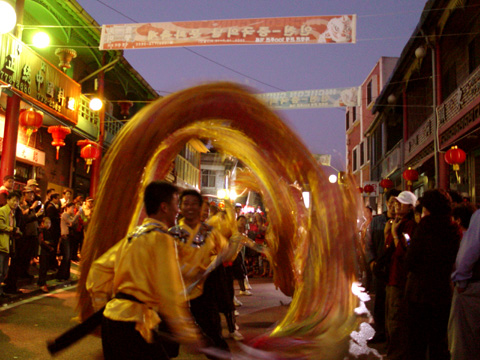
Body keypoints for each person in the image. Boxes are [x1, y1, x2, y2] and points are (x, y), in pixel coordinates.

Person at [87, 181, 204, 360]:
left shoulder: (133, 236)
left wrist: (102, 306)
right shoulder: (162, 239)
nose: (178, 210)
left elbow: (98, 269)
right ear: (164, 207)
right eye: (175, 204)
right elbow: (170, 293)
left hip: (113, 319)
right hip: (133, 324)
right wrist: (188, 333)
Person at [170, 189, 233, 358]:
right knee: (168, 341)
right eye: (186, 204)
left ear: (200, 208)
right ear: (180, 207)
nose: (190, 207)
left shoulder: (209, 231)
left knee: (212, 333)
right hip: (177, 292)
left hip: (204, 291)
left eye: (194, 204)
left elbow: (226, 249)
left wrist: (212, 264)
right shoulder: (173, 233)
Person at [405, 189, 461, 360]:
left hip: (420, 293)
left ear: (427, 208)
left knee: (417, 342)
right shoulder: (453, 228)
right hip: (444, 291)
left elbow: (410, 261)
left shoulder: (425, 226)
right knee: (439, 342)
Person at [384, 190, 417, 359]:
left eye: (400, 203)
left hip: (400, 279)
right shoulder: (395, 222)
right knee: (390, 319)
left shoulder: (409, 226)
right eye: (395, 202)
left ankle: (397, 355)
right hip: (391, 277)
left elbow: (403, 252)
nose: (396, 205)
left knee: (396, 321)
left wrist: (395, 234)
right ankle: (391, 351)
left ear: (411, 207)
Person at [365, 188, 400, 344]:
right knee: (380, 302)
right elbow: (368, 244)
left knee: (394, 305)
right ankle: (380, 332)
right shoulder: (377, 221)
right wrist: (371, 262)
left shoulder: (403, 222)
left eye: (397, 203)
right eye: (391, 202)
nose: (394, 206)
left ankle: (393, 335)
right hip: (380, 268)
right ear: (386, 203)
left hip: (396, 269)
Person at [448, 209, 480, 360]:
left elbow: (470, 251)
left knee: (465, 339)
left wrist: (461, 280)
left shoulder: (478, 217)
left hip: (473, 286)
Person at [0, 192, 22, 297]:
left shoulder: (12, 213)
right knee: (0, 270)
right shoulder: (3, 211)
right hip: (1, 244)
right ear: (8, 200)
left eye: (17, 201)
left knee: (4, 271)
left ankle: (0, 291)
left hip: (8, 245)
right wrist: (12, 229)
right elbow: (0, 225)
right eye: (13, 200)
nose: (15, 203)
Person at [57, 202, 78, 281]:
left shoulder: (71, 216)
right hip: (65, 237)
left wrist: (74, 218)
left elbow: (75, 224)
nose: (73, 209)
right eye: (72, 208)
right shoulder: (65, 215)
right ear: (67, 208)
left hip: (70, 237)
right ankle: (61, 275)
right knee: (66, 256)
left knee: (68, 257)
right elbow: (72, 223)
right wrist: (77, 215)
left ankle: (66, 275)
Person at [37, 217, 54, 293]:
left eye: (49, 223)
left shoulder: (48, 231)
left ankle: (42, 282)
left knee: (45, 267)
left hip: (46, 251)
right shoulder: (42, 231)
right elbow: (42, 242)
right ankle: (41, 283)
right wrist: (50, 247)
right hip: (43, 251)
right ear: (42, 223)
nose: (48, 225)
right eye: (46, 223)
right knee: (43, 268)